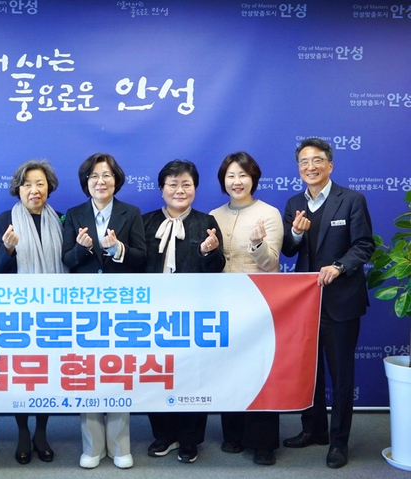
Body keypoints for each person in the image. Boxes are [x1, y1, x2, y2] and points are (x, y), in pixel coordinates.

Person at [281, 138, 374, 469]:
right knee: (309, 371)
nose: (311, 167)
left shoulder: (351, 200)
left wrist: (339, 266)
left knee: (341, 374)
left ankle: (339, 442)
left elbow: (364, 245)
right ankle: (314, 430)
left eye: (317, 160)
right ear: (299, 169)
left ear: (330, 165)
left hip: (341, 300)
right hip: (305, 303)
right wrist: (294, 233)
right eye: (304, 162)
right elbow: (289, 250)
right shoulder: (294, 203)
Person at [61, 153, 146, 470]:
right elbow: (67, 260)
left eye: (107, 175)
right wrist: (82, 248)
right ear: (86, 182)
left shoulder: (131, 212)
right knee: (88, 373)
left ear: (116, 180)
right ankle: (93, 446)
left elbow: (142, 257)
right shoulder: (74, 214)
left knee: (119, 371)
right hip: (84, 304)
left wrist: (118, 249)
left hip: (121, 304)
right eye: (94, 176)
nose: (101, 181)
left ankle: (120, 445)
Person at [142, 159, 225, 464]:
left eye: (186, 184)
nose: (180, 190)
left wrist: (207, 253)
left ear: (195, 188)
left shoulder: (207, 222)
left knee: (192, 373)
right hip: (152, 313)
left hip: (193, 311)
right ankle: (163, 434)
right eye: (173, 184)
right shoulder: (145, 222)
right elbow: (135, 264)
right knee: (157, 372)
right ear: (161, 189)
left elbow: (217, 269)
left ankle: (190, 439)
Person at [0, 159, 66, 465]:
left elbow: (71, 262)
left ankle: (41, 433)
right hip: (17, 311)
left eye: (40, 183)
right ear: (18, 189)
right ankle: (22, 432)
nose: (34, 190)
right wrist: (7, 249)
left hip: (53, 310)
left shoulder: (61, 219)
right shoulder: (5, 220)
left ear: (49, 188)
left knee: (46, 373)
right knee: (23, 374)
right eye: (27, 184)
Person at [209, 152, 283, 466]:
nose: (236, 181)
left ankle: (263, 443)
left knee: (259, 370)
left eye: (243, 175)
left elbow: (271, 263)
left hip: (259, 303)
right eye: (230, 176)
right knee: (229, 369)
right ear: (223, 181)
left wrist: (257, 245)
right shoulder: (213, 215)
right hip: (224, 303)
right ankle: (233, 434)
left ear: (253, 178)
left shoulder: (269, 213)